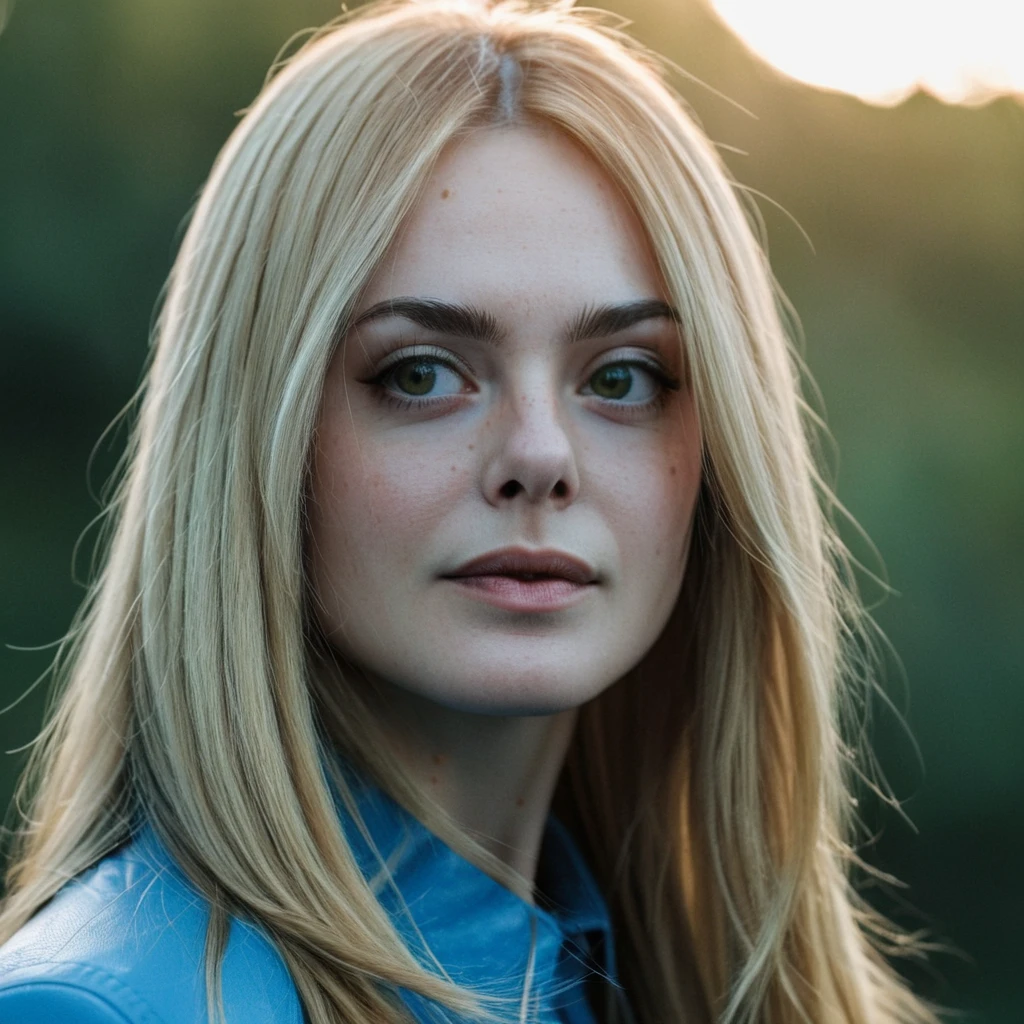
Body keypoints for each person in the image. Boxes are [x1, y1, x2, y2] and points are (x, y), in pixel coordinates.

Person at [0, 1, 939, 1021]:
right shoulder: (101, 1006)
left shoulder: (659, 986)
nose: (539, 454)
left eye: (622, 378)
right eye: (420, 372)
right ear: (255, 442)